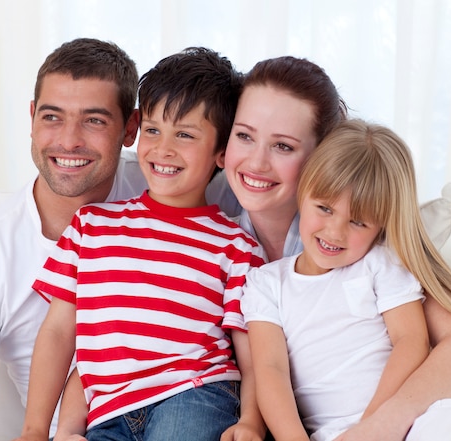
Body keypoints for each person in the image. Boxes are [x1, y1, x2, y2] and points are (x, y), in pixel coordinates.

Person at [0, 38, 237, 441]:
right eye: (52, 117)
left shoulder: (175, 180)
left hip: (189, 405)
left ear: (130, 128)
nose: (69, 140)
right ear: (32, 118)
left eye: (94, 120)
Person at [223, 56, 451, 440]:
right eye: (244, 135)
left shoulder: (376, 250)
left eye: (284, 146)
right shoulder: (223, 238)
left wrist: (375, 427)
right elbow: (267, 368)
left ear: (320, 155)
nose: (256, 161)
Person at [18, 47, 266, 441]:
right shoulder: (91, 225)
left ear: (222, 152)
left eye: (184, 134)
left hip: (194, 393)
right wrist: (36, 430)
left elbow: (254, 354)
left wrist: (251, 420)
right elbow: (60, 334)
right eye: (153, 130)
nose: (163, 149)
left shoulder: (236, 245)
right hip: (109, 411)